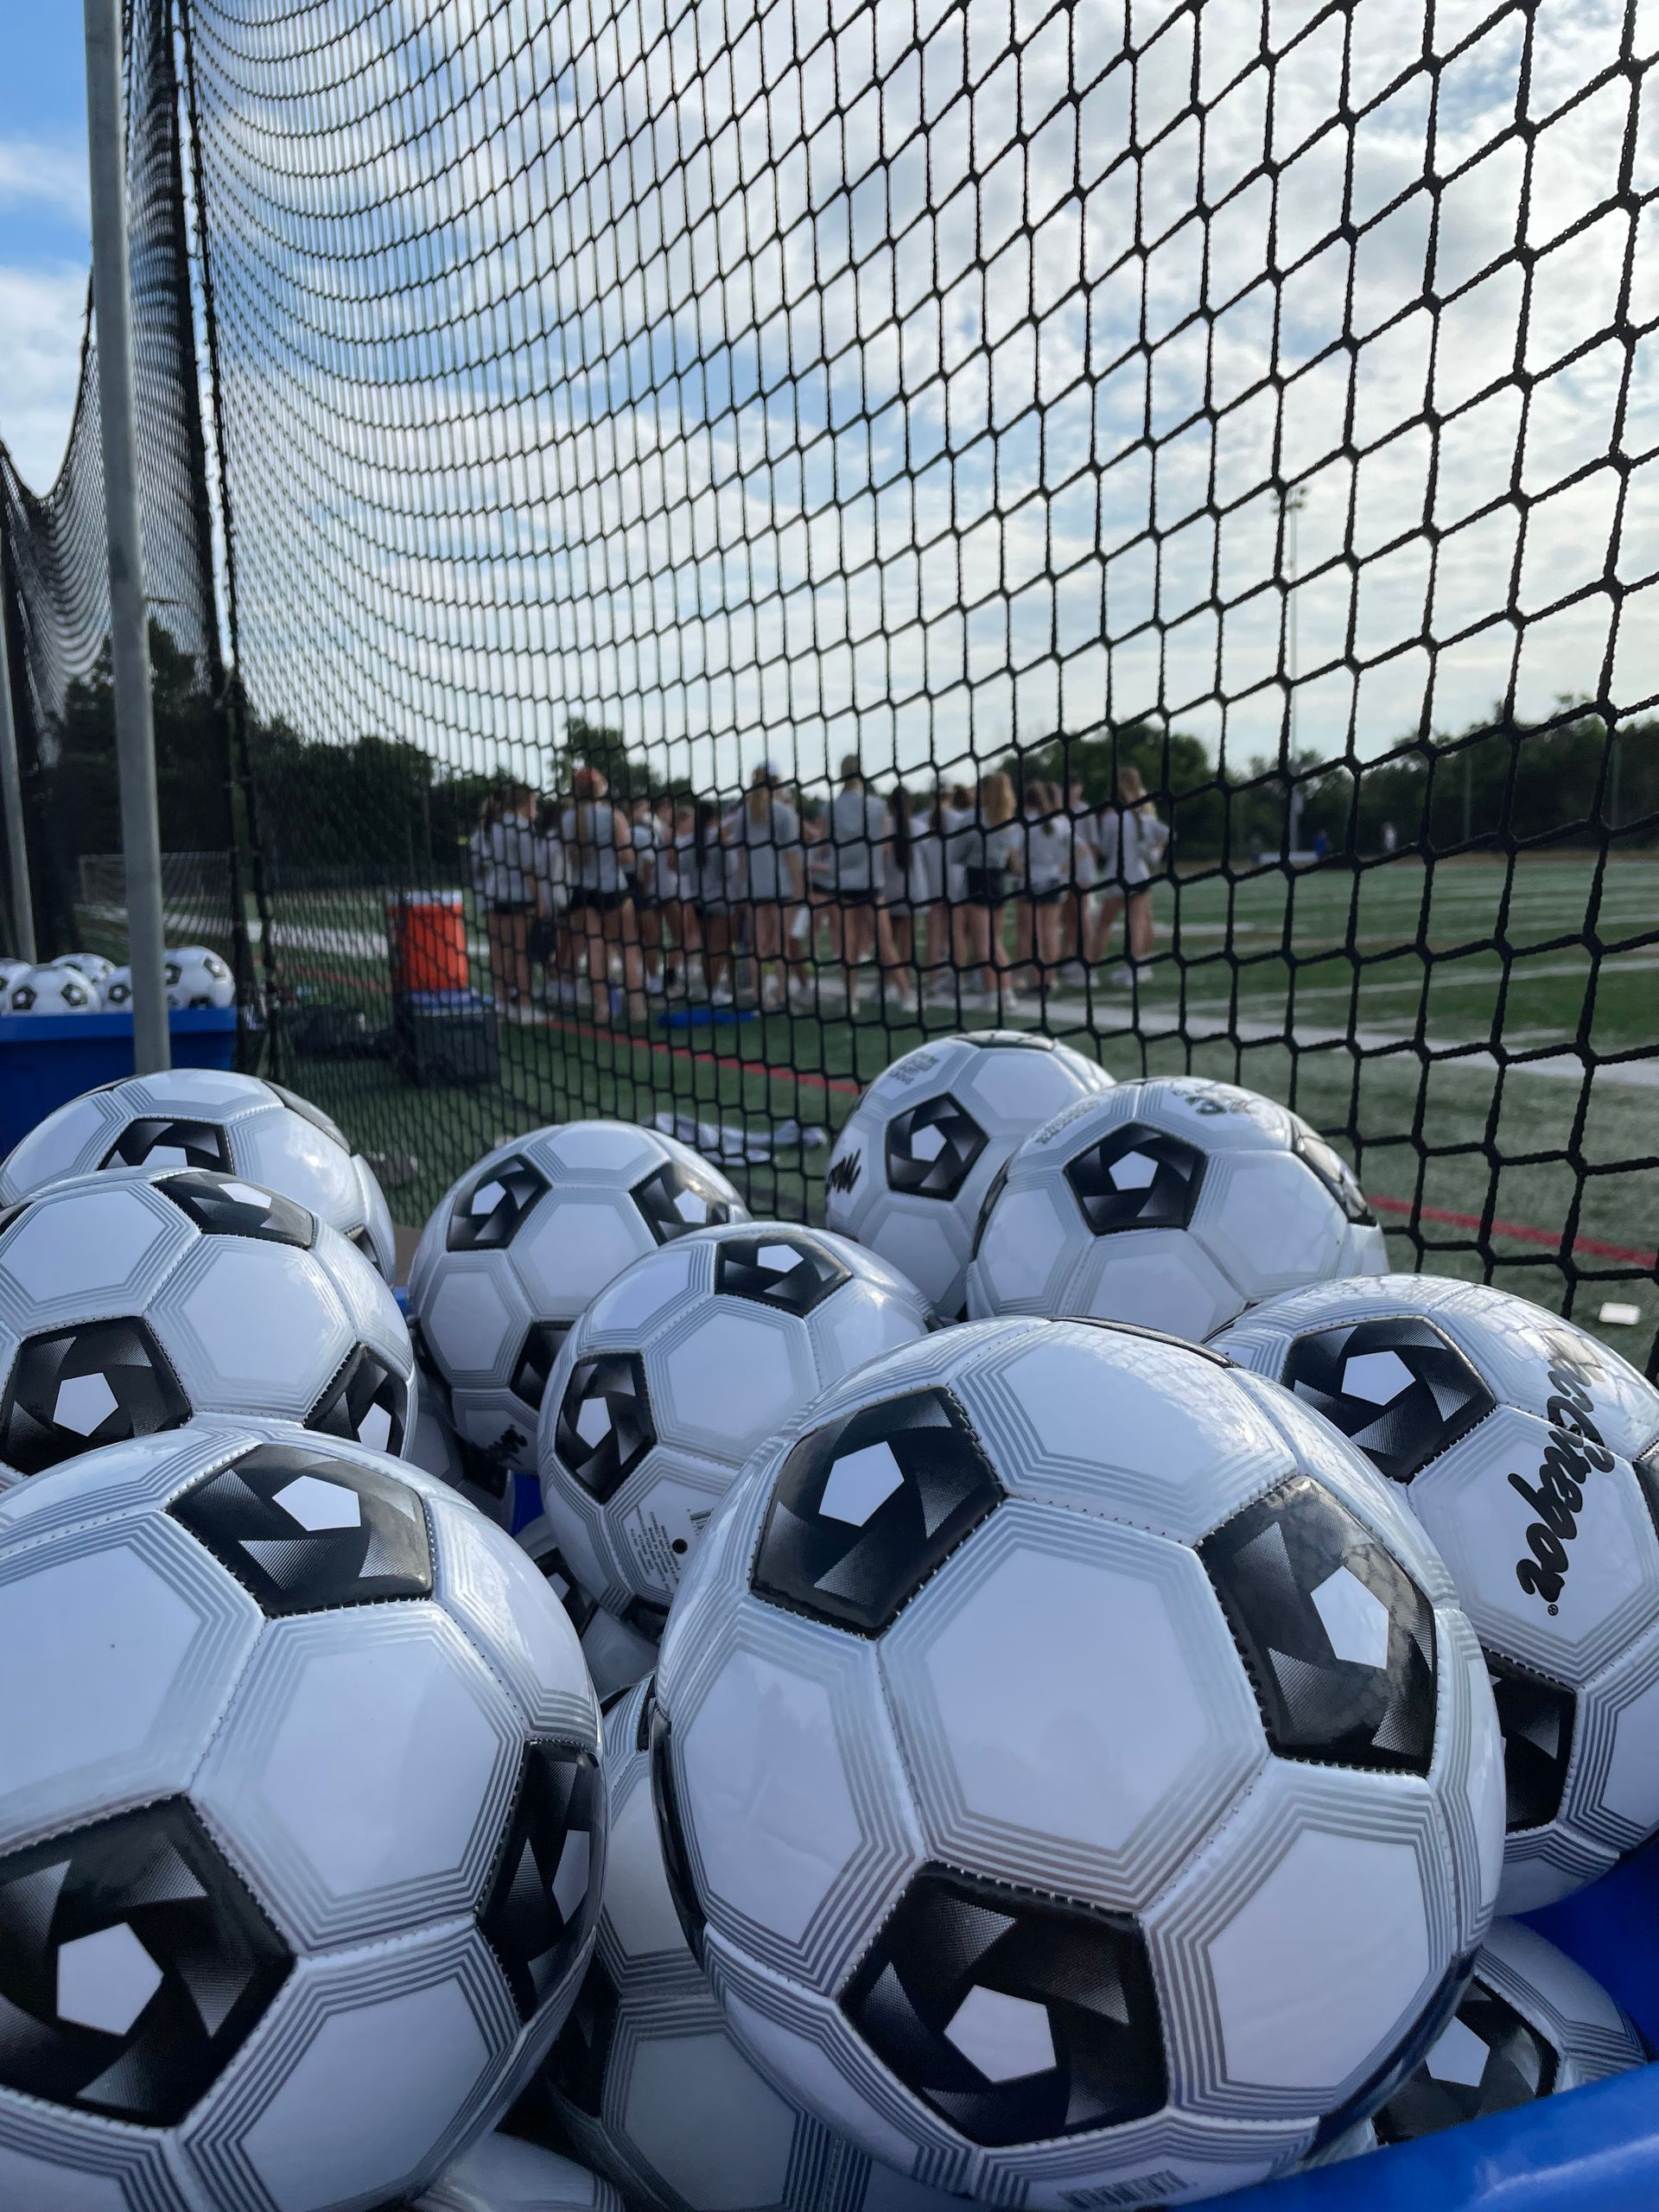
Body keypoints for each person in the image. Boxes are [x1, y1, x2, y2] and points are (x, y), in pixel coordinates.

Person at [561, 766, 646, 1026]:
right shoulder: (612, 815)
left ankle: (602, 1008)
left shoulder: (568, 819)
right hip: (613, 889)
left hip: (583, 892)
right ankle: (637, 1007)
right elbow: (627, 856)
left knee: (596, 948)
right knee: (628, 947)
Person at [828, 753, 900, 1010]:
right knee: (884, 942)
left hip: (843, 883)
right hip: (871, 881)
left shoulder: (831, 807)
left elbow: (827, 846)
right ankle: (906, 995)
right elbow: (884, 846)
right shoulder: (877, 806)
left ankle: (851, 999)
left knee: (848, 945)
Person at [949, 770, 1022, 1007]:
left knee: (984, 945)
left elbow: (956, 854)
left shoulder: (972, 819)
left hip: (977, 880)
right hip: (998, 880)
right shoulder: (1009, 820)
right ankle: (1005, 990)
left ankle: (996, 993)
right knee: (994, 941)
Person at [468, 783, 542, 1016]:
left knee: (500, 950)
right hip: (519, 896)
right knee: (520, 951)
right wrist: (540, 900)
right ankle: (524, 1005)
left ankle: (501, 999)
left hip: (496, 895)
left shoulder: (496, 827)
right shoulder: (523, 828)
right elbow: (529, 869)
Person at [1091, 763, 1168, 987]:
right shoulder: (1143, 816)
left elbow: (1104, 849)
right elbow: (1166, 835)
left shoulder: (1110, 818)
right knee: (1137, 924)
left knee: (1103, 925)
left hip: (1117, 875)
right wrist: (1156, 851)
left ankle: (1091, 972)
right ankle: (1133, 970)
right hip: (1139, 876)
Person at [734, 766, 803, 1010]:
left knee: (758, 946)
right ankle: (783, 998)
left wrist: (739, 887)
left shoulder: (743, 813)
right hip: (780, 886)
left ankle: (759, 997)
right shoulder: (784, 812)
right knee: (780, 946)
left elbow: (740, 857)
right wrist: (799, 886)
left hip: (754, 887)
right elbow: (792, 854)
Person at [1021, 780, 1074, 990]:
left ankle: (1037, 980)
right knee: (1051, 931)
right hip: (1053, 880)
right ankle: (1050, 979)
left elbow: (1013, 851)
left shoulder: (1025, 821)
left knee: (1035, 934)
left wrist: (1019, 868)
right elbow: (1079, 849)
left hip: (1031, 880)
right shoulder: (1060, 822)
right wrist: (1060, 868)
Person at [906, 781, 949, 995]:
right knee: (955, 934)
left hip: (930, 887)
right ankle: (953, 979)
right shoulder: (960, 819)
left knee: (934, 935)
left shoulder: (920, 821)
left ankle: (933, 981)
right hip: (955, 886)